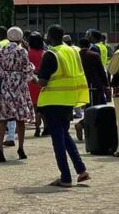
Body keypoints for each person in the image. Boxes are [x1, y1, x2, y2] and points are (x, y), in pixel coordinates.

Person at [37, 24, 90, 188]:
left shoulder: (51, 54)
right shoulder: (72, 51)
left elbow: (43, 81)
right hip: (69, 99)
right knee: (65, 136)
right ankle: (81, 170)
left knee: (58, 141)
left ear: (50, 37)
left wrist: (33, 79)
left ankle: (65, 176)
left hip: (53, 100)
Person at [0, 27, 35, 162]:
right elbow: (27, 70)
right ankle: (20, 148)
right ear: (20, 38)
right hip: (18, 86)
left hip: (4, 86)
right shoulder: (22, 51)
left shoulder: (0, 51)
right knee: (20, 119)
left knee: (2, 119)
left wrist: (4, 74)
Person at [74, 37, 110, 140]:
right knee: (98, 108)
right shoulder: (94, 55)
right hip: (95, 86)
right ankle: (84, 125)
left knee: (88, 108)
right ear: (89, 44)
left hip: (82, 85)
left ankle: (86, 127)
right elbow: (101, 71)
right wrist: (106, 84)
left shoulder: (76, 56)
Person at [27, 32, 46, 136]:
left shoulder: (28, 54)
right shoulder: (45, 53)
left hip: (32, 82)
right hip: (43, 81)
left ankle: (37, 127)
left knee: (35, 107)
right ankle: (46, 127)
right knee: (43, 107)